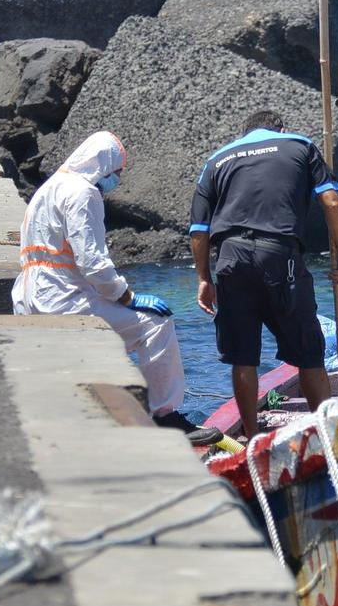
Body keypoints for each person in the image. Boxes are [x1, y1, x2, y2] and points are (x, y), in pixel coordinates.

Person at [13, 131, 209, 441]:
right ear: (103, 165)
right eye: (116, 172)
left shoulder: (48, 188)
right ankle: (165, 415)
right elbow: (93, 263)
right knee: (157, 323)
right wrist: (127, 296)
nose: (116, 179)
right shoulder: (83, 193)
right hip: (63, 300)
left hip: (29, 295)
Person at [190, 109, 338, 425]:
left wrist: (203, 279)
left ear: (244, 133)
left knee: (242, 357)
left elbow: (198, 229)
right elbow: (332, 203)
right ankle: (325, 429)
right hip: (279, 254)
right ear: (280, 128)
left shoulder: (216, 160)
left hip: (230, 259)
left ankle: (251, 438)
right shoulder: (299, 144)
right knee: (309, 352)